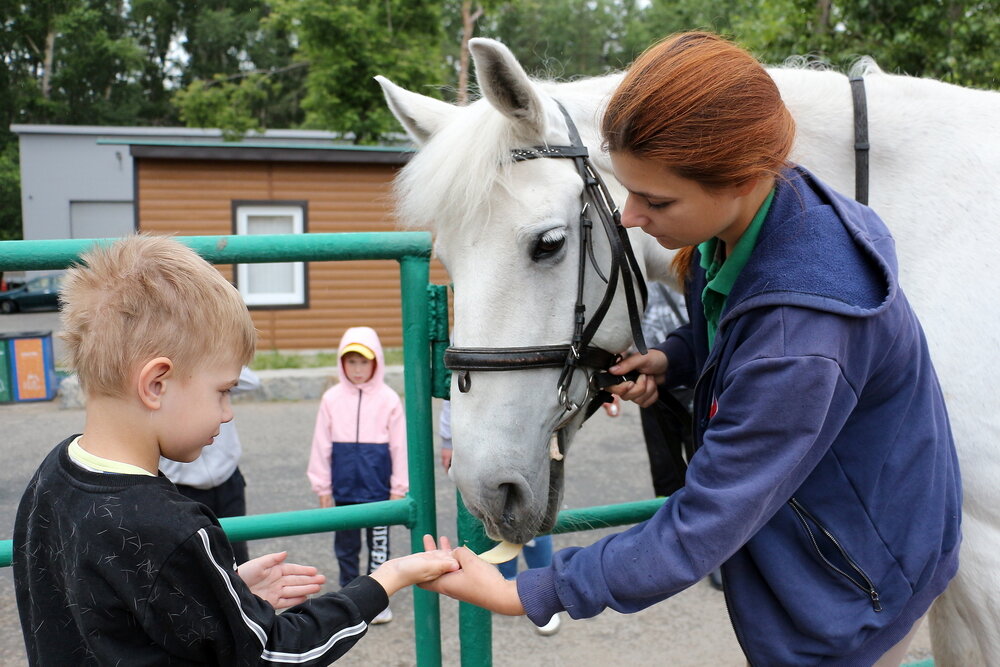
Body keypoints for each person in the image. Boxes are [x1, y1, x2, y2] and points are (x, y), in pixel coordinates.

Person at [420, 32, 961, 667]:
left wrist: (530, 591)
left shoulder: (803, 334)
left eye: (656, 200)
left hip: (854, 584)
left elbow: (701, 525)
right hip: (833, 532)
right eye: (628, 191)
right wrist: (675, 357)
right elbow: (739, 320)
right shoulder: (759, 217)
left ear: (739, 176)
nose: (629, 216)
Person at [12, 234, 458, 665]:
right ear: (156, 384)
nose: (227, 414)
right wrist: (385, 580)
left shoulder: (51, 477)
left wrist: (221, 592)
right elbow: (274, 651)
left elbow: (112, 616)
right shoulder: (176, 527)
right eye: (223, 391)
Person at [308, 326, 408, 625]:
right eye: (351, 362)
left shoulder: (389, 399)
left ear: (376, 361)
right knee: (346, 548)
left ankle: (377, 601)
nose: (358, 369)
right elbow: (320, 445)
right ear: (342, 363)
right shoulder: (331, 399)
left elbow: (400, 447)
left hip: (379, 492)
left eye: (364, 361)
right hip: (344, 491)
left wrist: (398, 489)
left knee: (379, 548)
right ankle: (349, 600)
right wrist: (322, 487)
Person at [439, 398, 561, 635]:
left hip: (532, 434)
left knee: (538, 512)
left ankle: (546, 591)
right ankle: (507, 585)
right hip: (486, 438)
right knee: (499, 511)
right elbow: (451, 394)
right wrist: (447, 440)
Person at [160, 365, 260, 563]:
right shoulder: (165, 382)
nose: (226, 414)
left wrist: (214, 355)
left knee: (235, 550)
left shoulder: (218, 370)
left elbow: (252, 382)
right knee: (193, 555)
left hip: (228, 479)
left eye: (225, 392)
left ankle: (238, 593)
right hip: (182, 486)